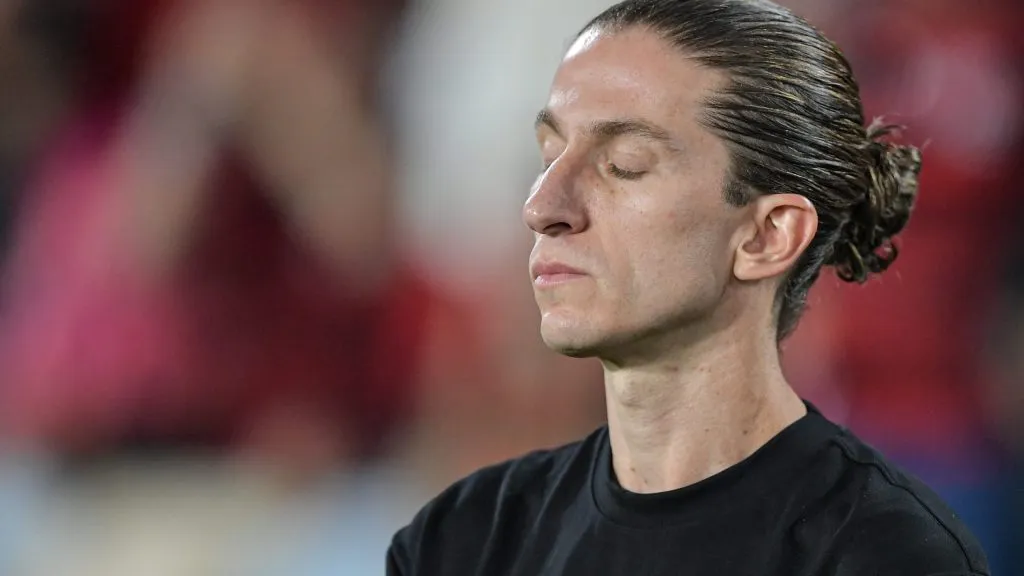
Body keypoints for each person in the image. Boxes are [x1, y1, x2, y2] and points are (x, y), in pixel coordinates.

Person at [386, 0, 990, 574]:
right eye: (549, 155)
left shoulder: (885, 556)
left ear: (767, 236)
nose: (542, 206)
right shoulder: (461, 537)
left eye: (624, 163)